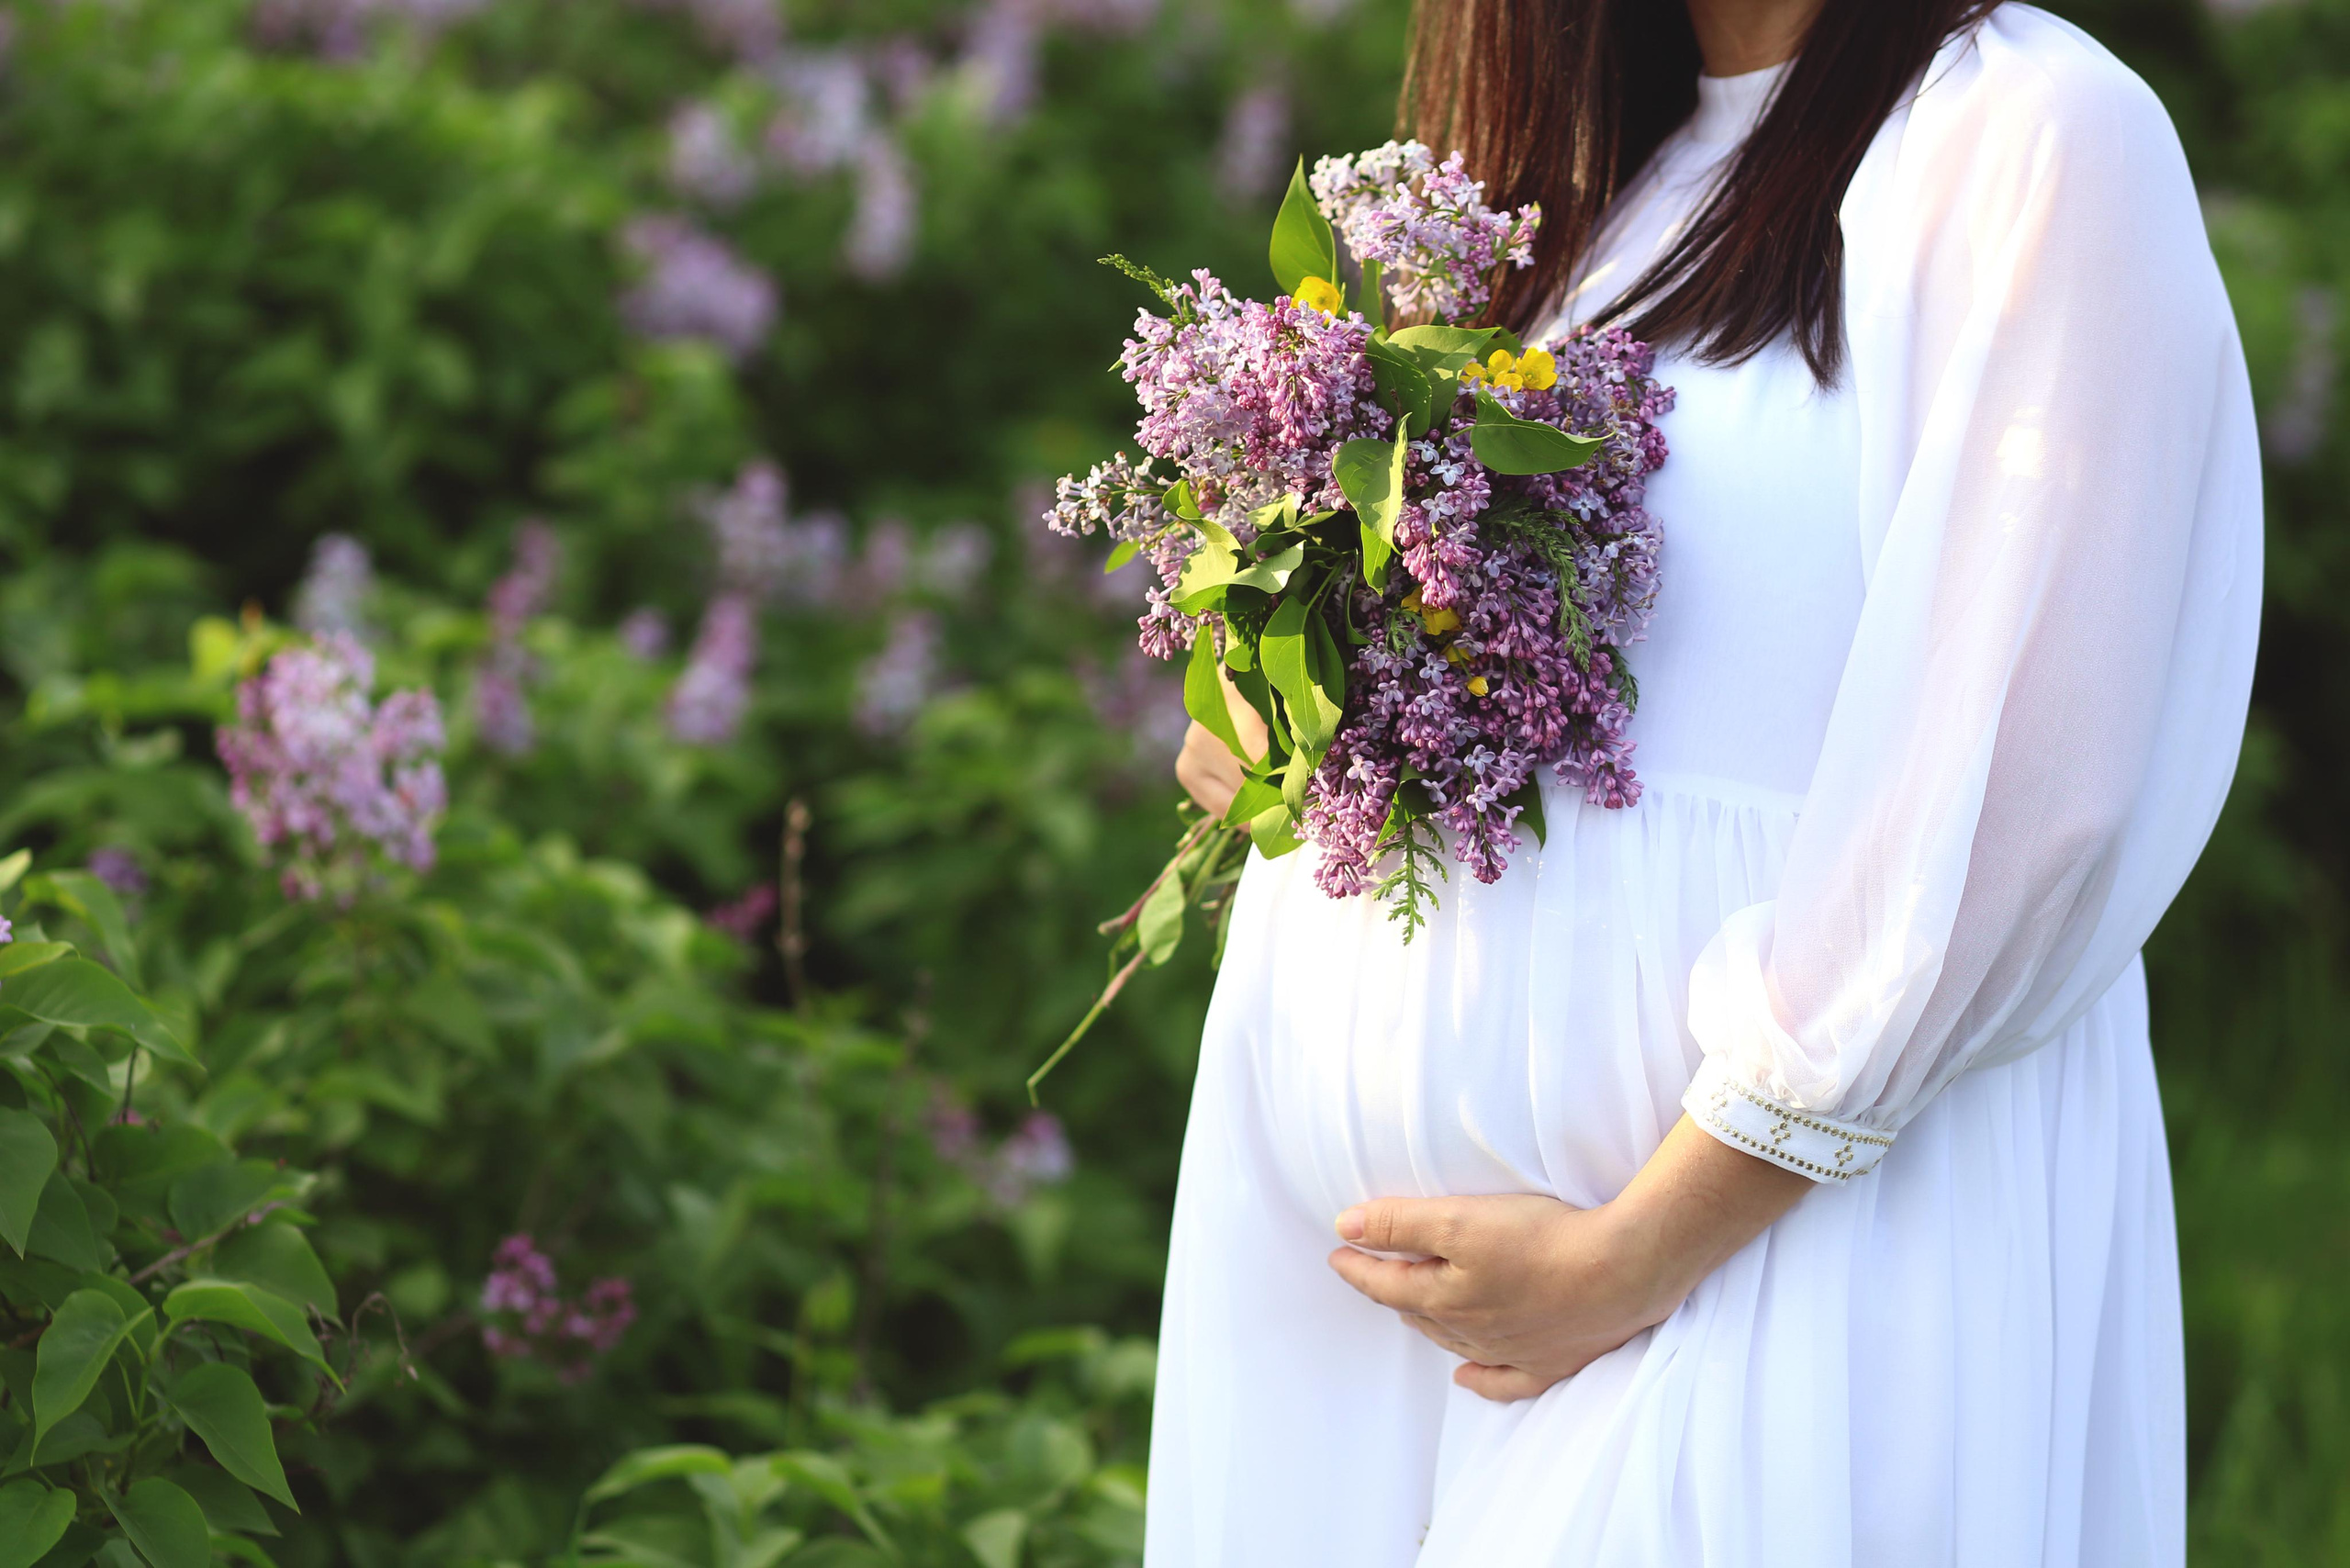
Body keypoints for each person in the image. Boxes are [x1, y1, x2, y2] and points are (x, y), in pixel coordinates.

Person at [1145, 1, 2262, 1563]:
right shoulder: (1572, 174)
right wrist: (1289, 706)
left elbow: (2026, 785)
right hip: (1362, 1347)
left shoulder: (2026, 132)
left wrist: (1638, 1252)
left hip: (1757, 1275)